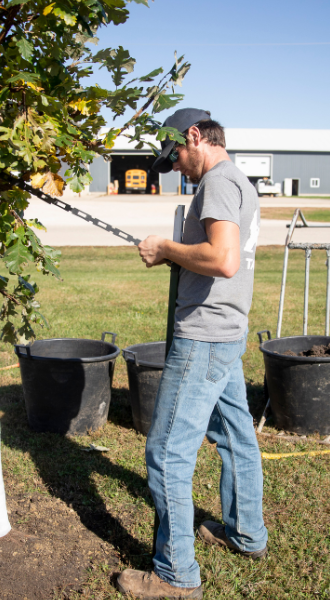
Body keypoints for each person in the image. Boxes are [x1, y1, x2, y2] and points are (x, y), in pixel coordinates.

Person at [116, 108, 268, 599]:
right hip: (226, 333)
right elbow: (219, 256)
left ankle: (175, 575)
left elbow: (222, 260)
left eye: (176, 154)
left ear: (196, 136)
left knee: (166, 454)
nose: (176, 167)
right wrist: (179, 254)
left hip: (204, 338)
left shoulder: (219, 183)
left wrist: (165, 248)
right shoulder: (239, 181)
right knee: (236, 437)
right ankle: (246, 534)